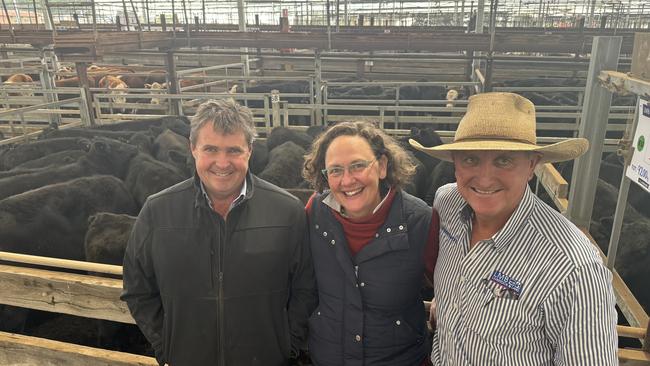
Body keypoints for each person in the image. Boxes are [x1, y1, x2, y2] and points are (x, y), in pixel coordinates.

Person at [410, 92, 618, 365]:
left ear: (531, 165)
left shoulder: (574, 269)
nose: (485, 178)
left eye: (504, 160)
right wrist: (447, 297)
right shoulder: (447, 203)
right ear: (455, 164)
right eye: (470, 159)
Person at [121, 98, 317, 366]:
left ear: (249, 150)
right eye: (211, 149)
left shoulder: (287, 211)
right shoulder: (157, 211)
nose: (222, 163)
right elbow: (137, 288)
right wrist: (166, 345)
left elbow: (306, 288)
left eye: (233, 150)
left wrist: (287, 345)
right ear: (193, 149)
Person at [302, 121, 439, 366]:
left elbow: (451, 288)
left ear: (382, 166)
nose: (347, 180)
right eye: (334, 170)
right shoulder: (315, 212)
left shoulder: (419, 221)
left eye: (358, 166)